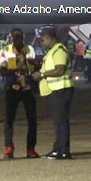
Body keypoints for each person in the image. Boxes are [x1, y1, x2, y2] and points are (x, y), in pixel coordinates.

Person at [33, 27, 74, 160]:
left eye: (43, 39)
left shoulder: (59, 51)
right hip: (56, 90)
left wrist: (42, 74)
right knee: (59, 122)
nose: (41, 42)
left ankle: (63, 151)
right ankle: (58, 149)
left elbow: (60, 70)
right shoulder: (53, 51)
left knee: (61, 122)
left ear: (50, 37)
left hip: (61, 90)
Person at [0, 28, 39, 159]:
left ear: (23, 37)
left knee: (32, 119)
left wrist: (35, 64)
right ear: (11, 37)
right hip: (12, 87)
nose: (17, 39)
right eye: (14, 37)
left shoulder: (30, 49)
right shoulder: (5, 50)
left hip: (27, 87)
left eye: (19, 36)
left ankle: (31, 149)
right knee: (9, 119)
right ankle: (9, 147)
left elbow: (36, 66)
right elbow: (2, 71)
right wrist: (15, 69)